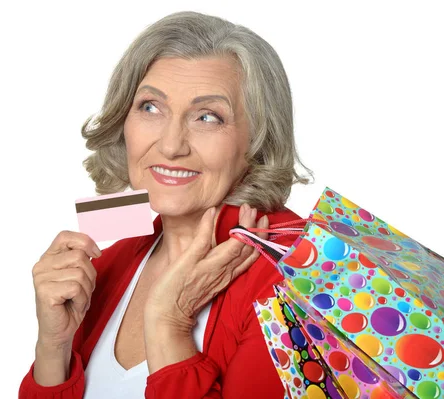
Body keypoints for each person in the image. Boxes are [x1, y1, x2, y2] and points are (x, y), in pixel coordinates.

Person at [20, 10, 311, 399]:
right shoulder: (109, 256)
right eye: (150, 108)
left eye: (208, 117)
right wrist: (53, 348)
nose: (172, 145)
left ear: (258, 140)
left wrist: (169, 324)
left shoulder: (295, 279)